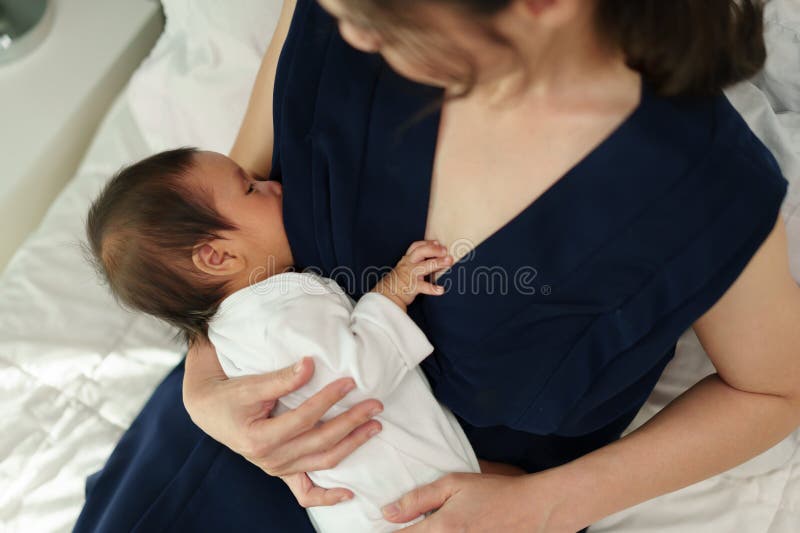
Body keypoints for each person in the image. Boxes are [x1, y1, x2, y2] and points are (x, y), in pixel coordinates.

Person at [76, 0, 800, 532]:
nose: (349, 32)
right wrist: (207, 384)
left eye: (378, 21)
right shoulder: (343, 11)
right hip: (241, 448)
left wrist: (544, 505)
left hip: (463, 512)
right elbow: (217, 237)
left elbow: (777, 391)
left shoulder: (701, 187)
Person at [83, 146, 479, 532]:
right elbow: (356, 378)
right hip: (407, 502)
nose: (273, 185)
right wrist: (393, 291)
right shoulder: (277, 316)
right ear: (217, 256)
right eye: (252, 189)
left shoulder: (236, 329)